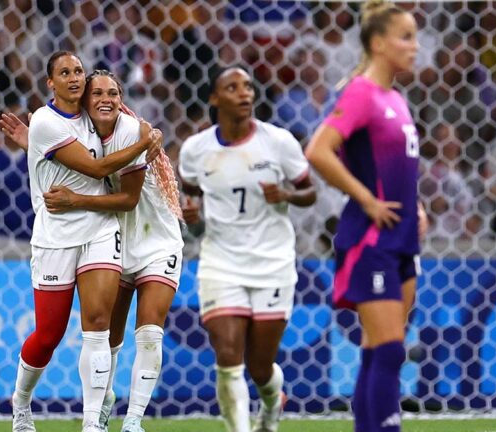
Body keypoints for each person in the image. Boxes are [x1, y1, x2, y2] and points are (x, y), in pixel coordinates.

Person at [0, 51, 159, 432]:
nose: (74, 77)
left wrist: (143, 131)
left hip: (101, 228)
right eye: (64, 73)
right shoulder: (43, 121)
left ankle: (92, 423)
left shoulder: (96, 116)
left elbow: (111, 130)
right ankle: (21, 402)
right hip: (55, 236)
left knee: (98, 325)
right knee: (48, 335)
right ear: (50, 83)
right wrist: (146, 142)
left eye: (78, 71)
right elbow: (95, 167)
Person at [304, 1, 427, 431]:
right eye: (406, 36)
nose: (415, 46)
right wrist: (366, 200)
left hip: (404, 237)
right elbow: (318, 150)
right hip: (372, 238)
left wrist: (417, 205)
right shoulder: (360, 92)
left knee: (382, 349)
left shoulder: (396, 98)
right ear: (378, 43)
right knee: (390, 350)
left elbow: (396, 165)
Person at [39, 70, 183, 432]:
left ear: (122, 99)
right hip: (114, 240)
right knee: (108, 339)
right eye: (98, 93)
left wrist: (74, 200)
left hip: (157, 241)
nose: (106, 99)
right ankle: (104, 401)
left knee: (149, 332)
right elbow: (56, 149)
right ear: (85, 102)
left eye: (114, 93)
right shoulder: (80, 133)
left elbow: (130, 200)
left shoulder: (132, 131)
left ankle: (133, 420)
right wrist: (30, 137)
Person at [178, 65, 316, 432]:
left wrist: (286, 194)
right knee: (227, 355)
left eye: (248, 87)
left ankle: (272, 405)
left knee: (259, 366)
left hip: (272, 262)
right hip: (221, 261)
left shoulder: (278, 142)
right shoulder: (195, 150)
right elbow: (190, 194)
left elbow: (310, 191)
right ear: (214, 98)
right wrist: (190, 213)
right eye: (233, 87)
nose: (245, 94)